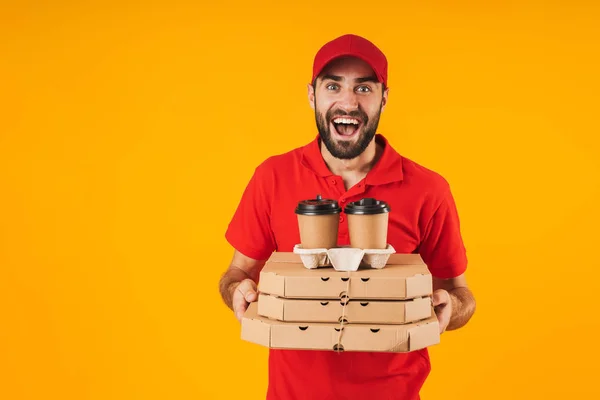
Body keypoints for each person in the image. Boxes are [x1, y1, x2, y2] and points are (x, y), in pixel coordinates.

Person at [219, 33, 476, 400]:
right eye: (333, 86)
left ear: (384, 98)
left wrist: (452, 308)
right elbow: (236, 273)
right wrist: (236, 291)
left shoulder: (428, 189)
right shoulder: (272, 177)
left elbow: (460, 293)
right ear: (312, 95)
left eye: (364, 88)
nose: (348, 101)